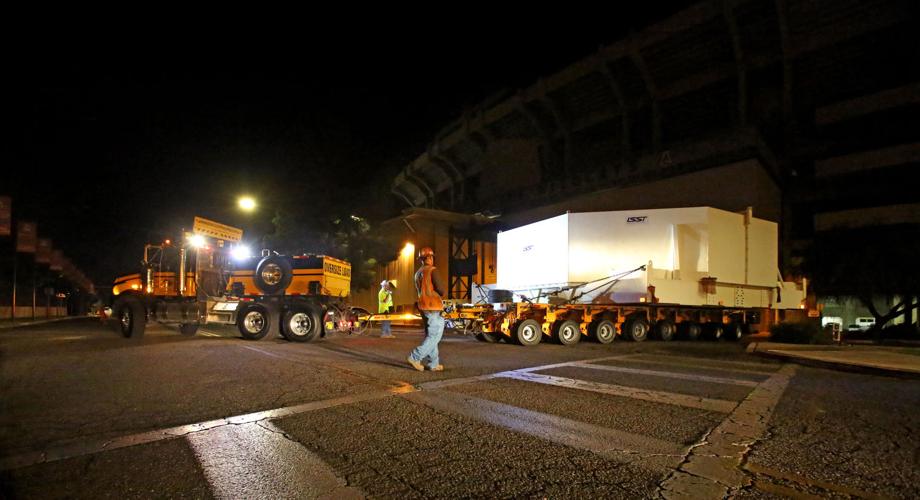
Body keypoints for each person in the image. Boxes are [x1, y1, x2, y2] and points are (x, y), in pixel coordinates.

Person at [407, 246, 446, 371]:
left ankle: (433, 363)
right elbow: (441, 290)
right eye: (431, 257)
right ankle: (414, 357)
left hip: (422, 306)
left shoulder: (418, 273)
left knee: (430, 335)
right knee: (434, 336)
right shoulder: (432, 270)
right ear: (429, 257)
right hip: (433, 306)